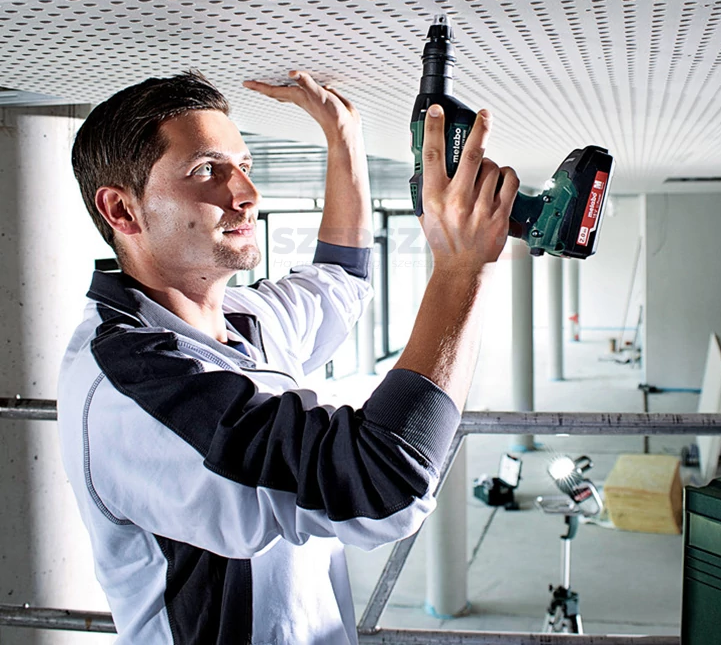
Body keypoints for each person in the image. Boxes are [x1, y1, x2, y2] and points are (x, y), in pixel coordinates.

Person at [59, 68, 519, 644]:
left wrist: (342, 138)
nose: (247, 194)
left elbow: (340, 278)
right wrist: (460, 269)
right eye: (206, 170)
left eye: (244, 166)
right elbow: (381, 482)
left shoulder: (241, 318)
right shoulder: (131, 388)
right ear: (122, 211)